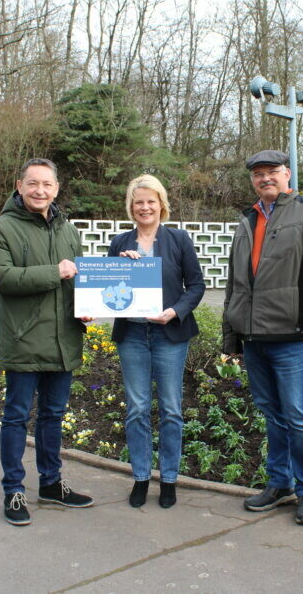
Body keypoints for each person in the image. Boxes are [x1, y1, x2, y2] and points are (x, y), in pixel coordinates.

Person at [221, 150, 303, 525]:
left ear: (286, 173)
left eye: (272, 172)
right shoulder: (247, 219)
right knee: (273, 416)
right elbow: (236, 280)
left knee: (297, 416)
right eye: (258, 174)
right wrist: (232, 334)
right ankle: (280, 483)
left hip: (295, 337)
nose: (265, 179)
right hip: (255, 339)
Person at [0, 157, 94, 526]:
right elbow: (1, 277)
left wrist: (86, 306)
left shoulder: (68, 230)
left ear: (56, 189)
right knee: (16, 418)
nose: (40, 190)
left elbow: (79, 278)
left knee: (53, 415)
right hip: (24, 339)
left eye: (47, 184)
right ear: (20, 186)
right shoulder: (1, 228)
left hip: (64, 339)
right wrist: (55, 271)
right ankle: (13, 490)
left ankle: (51, 483)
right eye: (33, 184)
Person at [108, 175, 206, 509]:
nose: (145, 207)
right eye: (138, 202)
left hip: (169, 334)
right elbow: (107, 289)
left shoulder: (178, 239)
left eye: (151, 201)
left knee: (171, 409)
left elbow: (195, 285)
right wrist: (119, 267)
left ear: (161, 204)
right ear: (131, 207)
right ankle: (139, 477)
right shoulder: (120, 242)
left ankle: (168, 479)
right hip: (132, 335)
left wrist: (175, 311)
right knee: (136, 408)